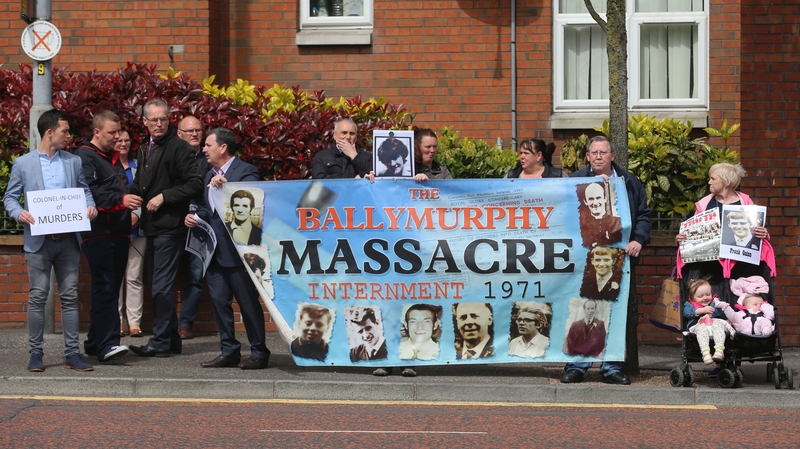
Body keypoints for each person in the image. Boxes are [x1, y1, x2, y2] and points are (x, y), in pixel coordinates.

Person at [4, 109, 98, 372]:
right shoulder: (23, 164)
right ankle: (36, 354)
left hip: (68, 240)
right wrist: (18, 212)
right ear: (49, 133)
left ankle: (72, 354)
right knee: (37, 297)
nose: (69, 136)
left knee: (69, 297)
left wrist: (90, 206)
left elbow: (84, 190)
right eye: (65, 131)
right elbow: (10, 198)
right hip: (38, 241)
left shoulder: (73, 161)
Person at [562, 135, 651, 385]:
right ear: (588, 157)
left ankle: (611, 367)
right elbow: (563, 212)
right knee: (583, 310)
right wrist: (589, 185)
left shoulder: (630, 182)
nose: (599, 157)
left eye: (603, 152)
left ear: (612, 156)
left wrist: (639, 240)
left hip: (619, 257)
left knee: (615, 312)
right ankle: (577, 365)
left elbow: (643, 215)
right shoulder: (576, 180)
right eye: (594, 153)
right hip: (584, 257)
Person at [185, 128, 271, 369]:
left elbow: (252, 198)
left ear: (223, 148)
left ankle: (259, 352)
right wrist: (194, 217)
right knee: (220, 303)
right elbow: (208, 210)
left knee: (248, 304)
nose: (203, 149)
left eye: (208, 145)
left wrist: (228, 186)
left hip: (239, 254)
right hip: (213, 254)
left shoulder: (246, 171)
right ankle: (229, 350)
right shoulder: (207, 175)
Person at [128, 99, 203, 358]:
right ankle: (170, 340)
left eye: (163, 119)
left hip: (171, 227)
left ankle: (159, 341)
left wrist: (164, 196)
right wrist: (129, 199)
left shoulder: (179, 148)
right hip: (152, 227)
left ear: (168, 119)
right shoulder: (143, 148)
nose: (159, 124)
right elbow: (139, 183)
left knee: (161, 286)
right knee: (159, 285)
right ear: (145, 122)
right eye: (154, 120)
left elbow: (195, 183)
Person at [74, 110, 143, 363]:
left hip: (117, 231)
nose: (117, 137)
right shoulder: (86, 156)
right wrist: (122, 200)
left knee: (108, 288)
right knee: (105, 286)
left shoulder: (109, 157)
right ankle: (108, 344)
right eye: (112, 133)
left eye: (119, 132)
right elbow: (90, 193)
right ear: (97, 132)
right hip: (99, 232)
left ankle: (94, 342)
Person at [675, 162, 773, 277]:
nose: (709, 182)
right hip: (710, 268)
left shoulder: (746, 203)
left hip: (741, 267)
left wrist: (764, 233)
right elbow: (692, 236)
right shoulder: (704, 204)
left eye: (713, 179)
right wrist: (681, 239)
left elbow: (756, 234)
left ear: (727, 182)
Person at [176, 115, 211, 340]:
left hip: (199, 225)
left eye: (198, 130)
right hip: (173, 224)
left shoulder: (209, 159)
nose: (194, 134)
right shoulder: (171, 157)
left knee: (196, 276)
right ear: (179, 134)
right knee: (165, 277)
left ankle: (185, 324)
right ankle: (166, 324)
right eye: (189, 131)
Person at [115, 129, 145, 338]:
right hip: (114, 229)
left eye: (127, 140)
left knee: (134, 276)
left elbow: (146, 192)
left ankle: (134, 322)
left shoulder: (138, 167)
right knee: (115, 278)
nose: (123, 144)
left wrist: (136, 216)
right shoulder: (108, 166)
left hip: (138, 230)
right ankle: (116, 322)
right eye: (119, 140)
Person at [682, 279, 732, 365]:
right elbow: (686, 312)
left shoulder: (715, 302)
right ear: (692, 297)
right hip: (698, 326)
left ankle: (719, 351)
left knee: (719, 325)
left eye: (708, 294)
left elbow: (719, 311)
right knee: (701, 328)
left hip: (714, 326)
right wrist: (700, 310)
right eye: (700, 296)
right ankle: (706, 354)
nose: (705, 298)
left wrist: (710, 314)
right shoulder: (689, 304)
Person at [577, 182, 623, 246]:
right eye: (591, 199)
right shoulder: (581, 225)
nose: (595, 203)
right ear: (585, 202)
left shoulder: (616, 222)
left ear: (605, 199)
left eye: (598, 198)